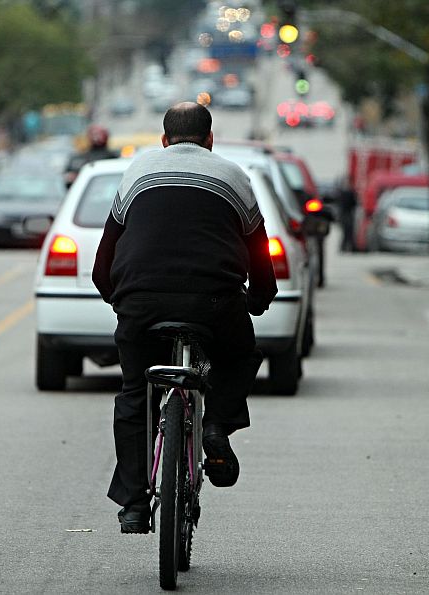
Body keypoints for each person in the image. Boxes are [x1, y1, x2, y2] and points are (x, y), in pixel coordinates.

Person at [92, 102, 278, 534]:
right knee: (239, 355)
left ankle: (135, 504)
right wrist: (259, 300)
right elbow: (259, 255)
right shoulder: (234, 177)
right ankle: (215, 425)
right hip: (214, 302)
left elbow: (105, 256)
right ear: (211, 141)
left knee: (136, 393)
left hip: (141, 303)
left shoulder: (137, 172)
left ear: (163, 140)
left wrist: (118, 299)